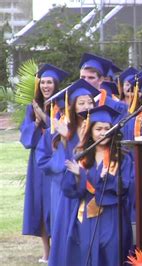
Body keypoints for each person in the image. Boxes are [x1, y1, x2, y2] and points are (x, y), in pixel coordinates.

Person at [63, 105, 133, 266]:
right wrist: (78, 175)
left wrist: (107, 179)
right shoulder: (81, 156)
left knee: (111, 253)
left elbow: (125, 188)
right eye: (98, 129)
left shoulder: (121, 157)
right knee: (86, 253)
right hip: (87, 215)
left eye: (107, 129)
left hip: (112, 216)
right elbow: (70, 191)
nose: (103, 133)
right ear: (91, 131)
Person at [44, 79, 100, 266]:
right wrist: (65, 139)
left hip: (92, 191)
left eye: (90, 102)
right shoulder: (65, 130)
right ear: (73, 106)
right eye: (81, 103)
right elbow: (62, 165)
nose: (87, 106)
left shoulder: (99, 129)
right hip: (71, 194)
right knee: (68, 237)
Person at [20, 64, 69, 264]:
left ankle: (56, 249)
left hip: (55, 161)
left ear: (56, 84)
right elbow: (26, 138)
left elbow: (63, 132)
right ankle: (46, 251)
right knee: (40, 203)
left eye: (50, 82)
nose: (46, 86)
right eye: (43, 82)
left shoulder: (63, 106)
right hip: (37, 163)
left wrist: (45, 117)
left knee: (54, 204)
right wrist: (37, 121)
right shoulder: (31, 108)